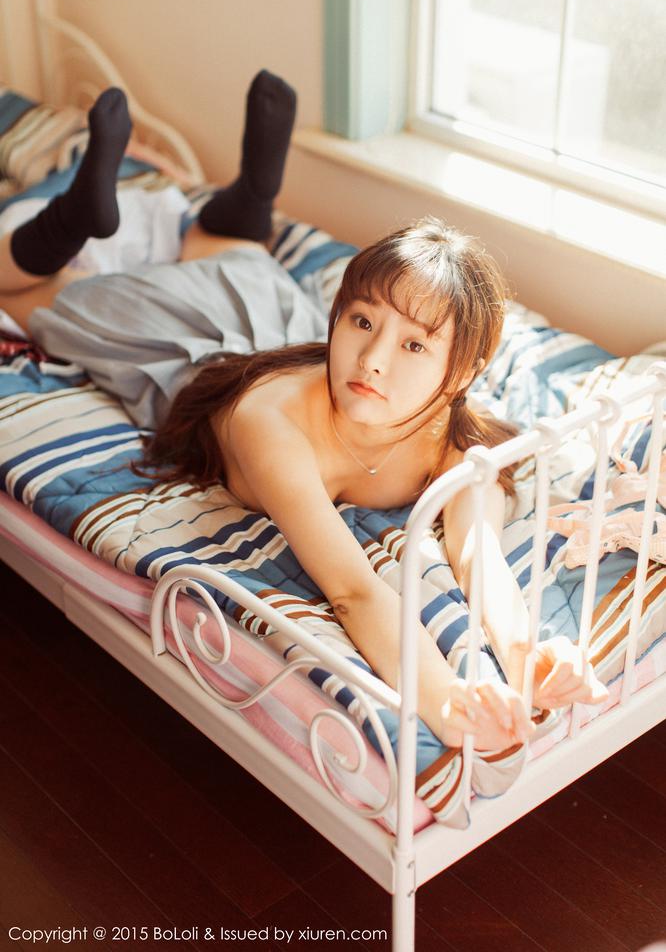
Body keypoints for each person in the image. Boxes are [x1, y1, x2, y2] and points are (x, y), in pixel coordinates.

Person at [0, 80, 609, 753]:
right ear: (340, 315)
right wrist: (444, 701)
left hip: (278, 342)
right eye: (361, 320)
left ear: (460, 374)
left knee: (239, 261)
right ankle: (69, 222)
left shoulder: (453, 440)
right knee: (42, 296)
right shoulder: (273, 430)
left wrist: (526, 657)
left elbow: (477, 553)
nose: (372, 361)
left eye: (413, 346)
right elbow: (354, 591)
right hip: (199, 363)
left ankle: (246, 202)